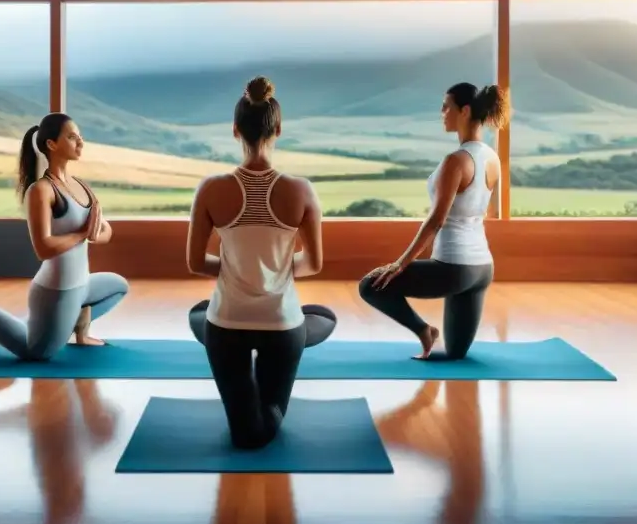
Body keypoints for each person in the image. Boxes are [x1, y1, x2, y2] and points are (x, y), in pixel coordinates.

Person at [185, 76, 335, 449]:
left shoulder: (211, 188)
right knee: (262, 429)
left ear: (235, 131)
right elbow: (314, 263)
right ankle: (306, 330)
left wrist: (239, 269)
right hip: (282, 327)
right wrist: (274, 271)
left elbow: (194, 262)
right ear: (279, 129)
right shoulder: (301, 190)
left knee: (244, 435)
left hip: (225, 327)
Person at [359, 82, 509, 360]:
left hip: (453, 269)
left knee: (370, 286)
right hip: (482, 269)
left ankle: (423, 330)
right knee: (456, 355)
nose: (442, 112)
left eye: (446, 106)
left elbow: (436, 220)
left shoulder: (456, 161)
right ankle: (431, 334)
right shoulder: (492, 157)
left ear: (464, 111)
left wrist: (400, 263)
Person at [0, 112, 130, 359]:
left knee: (118, 286)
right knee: (37, 353)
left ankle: (80, 329)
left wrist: (93, 234)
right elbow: (43, 248)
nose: (80, 142)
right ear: (52, 144)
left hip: (82, 285)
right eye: (72, 137)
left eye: (80, 137)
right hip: (57, 290)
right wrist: (82, 234)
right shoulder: (41, 190)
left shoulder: (81, 186)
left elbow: (105, 230)